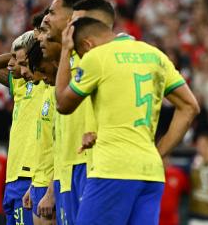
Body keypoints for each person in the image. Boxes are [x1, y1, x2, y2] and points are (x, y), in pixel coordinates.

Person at [55, 17, 200, 225]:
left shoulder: (97, 57)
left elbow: (63, 104)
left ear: (88, 44)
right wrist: (158, 153)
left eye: (80, 52)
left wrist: (65, 51)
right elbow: (190, 107)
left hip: (113, 170)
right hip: (151, 174)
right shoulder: (156, 56)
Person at [0, 30, 46, 225]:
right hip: (13, 175)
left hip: (30, 174)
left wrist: (29, 51)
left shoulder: (45, 82)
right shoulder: (20, 84)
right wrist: (16, 54)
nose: (11, 65)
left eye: (20, 61)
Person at [43, 0, 94, 225]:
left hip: (86, 165)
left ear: (71, 18)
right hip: (65, 171)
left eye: (52, 13)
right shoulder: (67, 63)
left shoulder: (90, 56)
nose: (47, 19)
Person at [22, 42, 58, 225]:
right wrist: (33, 183)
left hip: (52, 184)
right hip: (39, 182)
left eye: (25, 65)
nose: (23, 71)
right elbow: (44, 144)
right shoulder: (44, 90)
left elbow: (63, 144)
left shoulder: (59, 93)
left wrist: (51, 191)